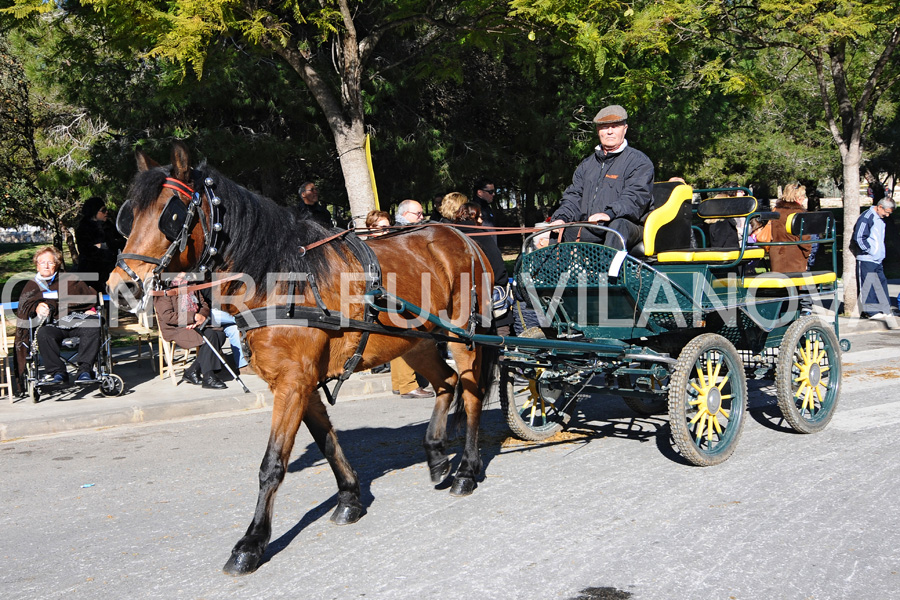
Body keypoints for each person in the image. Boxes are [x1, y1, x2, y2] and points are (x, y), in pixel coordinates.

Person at [542, 104, 654, 250]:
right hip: (593, 226)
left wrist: (610, 213)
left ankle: (607, 272)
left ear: (625, 129)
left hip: (628, 225)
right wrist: (561, 218)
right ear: (598, 130)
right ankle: (554, 272)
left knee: (617, 226)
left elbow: (635, 196)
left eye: (615, 126)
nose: (609, 132)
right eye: (604, 127)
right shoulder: (587, 164)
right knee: (560, 232)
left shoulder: (639, 161)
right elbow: (574, 196)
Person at [15, 246, 102, 384]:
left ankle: (85, 370)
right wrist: (36, 307)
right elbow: (25, 307)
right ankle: (58, 372)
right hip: (51, 324)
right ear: (37, 266)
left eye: (50, 262)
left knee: (93, 325)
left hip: (75, 320)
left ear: (57, 264)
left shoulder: (69, 279)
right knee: (43, 334)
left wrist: (90, 308)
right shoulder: (32, 285)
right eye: (42, 262)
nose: (46, 265)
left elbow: (88, 296)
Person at [389, 200, 434, 398]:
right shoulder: (402, 234)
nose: (421, 217)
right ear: (405, 214)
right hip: (403, 290)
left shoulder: (399, 231)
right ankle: (408, 385)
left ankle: (400, 383)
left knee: (399, 337)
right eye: (418, 214)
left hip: (399, 288)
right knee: (407, 336)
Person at [155, 273, 229, 389]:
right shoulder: (164, 291)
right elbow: (168, 316)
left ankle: (192, 371)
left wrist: (201, 317)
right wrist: (192, 318)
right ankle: (208, 376)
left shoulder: (192, 286)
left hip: (196, 324)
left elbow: (204, 305)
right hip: (176, 328)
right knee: (210, 335)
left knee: (220, 334)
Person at [453, 202, 513, 336]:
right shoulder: (482, 236)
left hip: (457, 299)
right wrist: (502, 282)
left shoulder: (450, 236)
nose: (481, 220)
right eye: (480, 217)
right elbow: (498, 268)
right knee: (501, 327)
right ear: (475, 217)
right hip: (485, 297)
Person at [852, 196, 897, 326]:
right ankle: (871, 311)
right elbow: (859, 236)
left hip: (877, 259)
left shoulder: (880, 219)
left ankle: (884, 308)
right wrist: (869, 250)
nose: (887, 215)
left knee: (880, 282)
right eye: (886, 212)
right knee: (868, 284)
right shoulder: (867, 217)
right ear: (880, 207)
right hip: (867, 258)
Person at [75, 196, 125, 293]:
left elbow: (122, 242)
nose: (107, 212)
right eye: (103, 210)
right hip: (91, 275)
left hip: (112, 272)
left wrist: (103, 246)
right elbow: (87, 251)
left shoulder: (110, 226)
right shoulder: (83, 229)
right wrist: (109, 248)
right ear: (94, 212)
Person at [769, 183, 811, 275]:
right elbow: (804, 239)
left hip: (776, 253)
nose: (804, 198)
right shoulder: (798, 214)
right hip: (795, 255)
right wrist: (808, 254)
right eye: (803, 196)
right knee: (794, 285)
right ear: (798, 197)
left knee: (779, 285)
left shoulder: (776, 211)